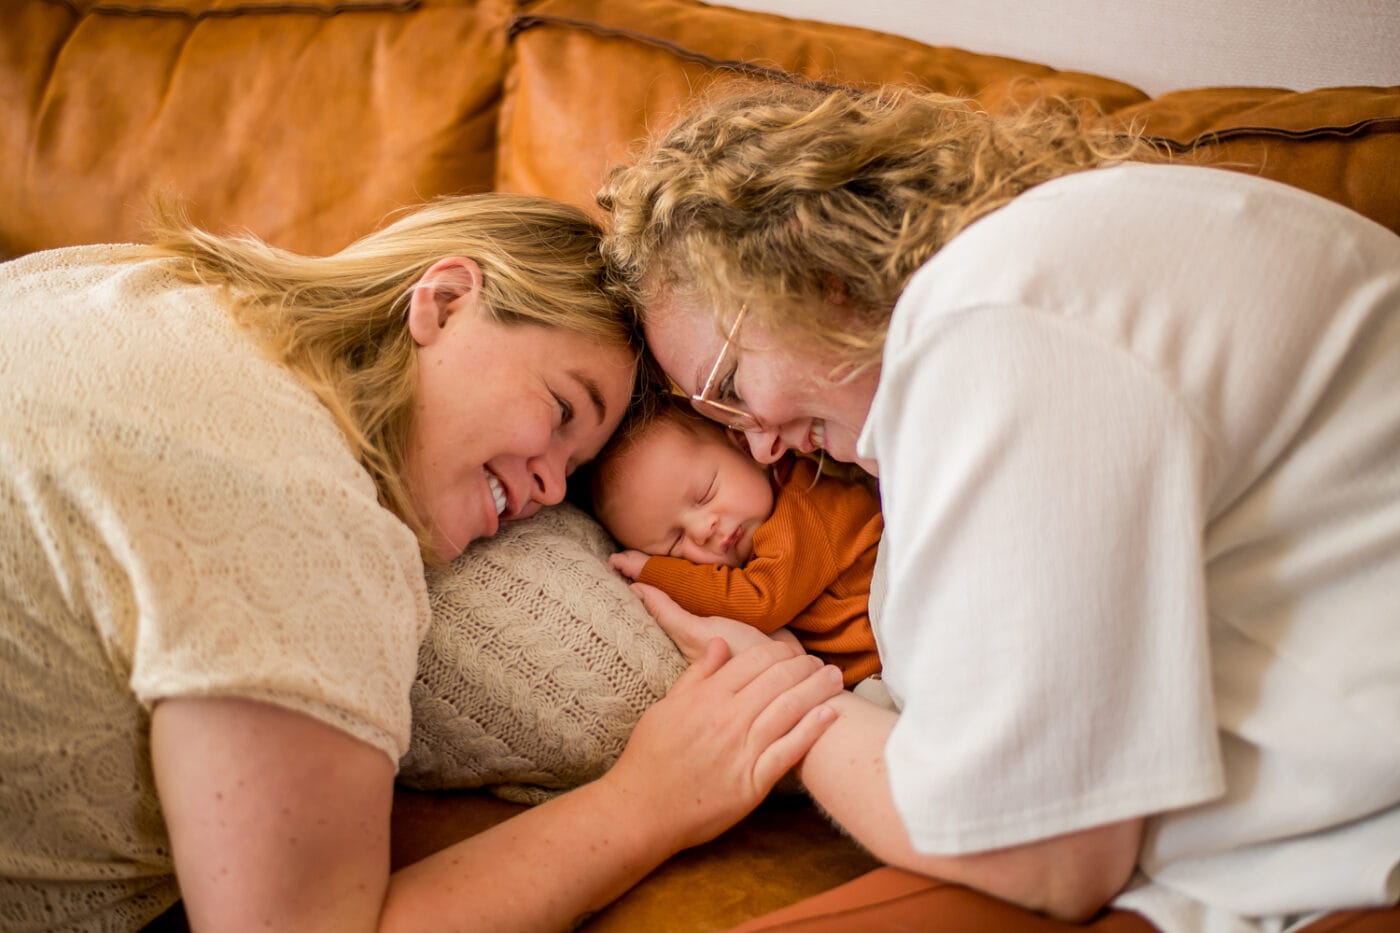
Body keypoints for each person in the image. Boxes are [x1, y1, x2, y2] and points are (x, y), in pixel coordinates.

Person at [598, 83, 1400, 931]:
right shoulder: (1016, 286)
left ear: (802, 269)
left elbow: (1047, 856)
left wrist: (782, 700)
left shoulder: (993, 321)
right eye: (721, 420)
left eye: (729, 388)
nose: (757, 443)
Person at [0, 193, 845, 931]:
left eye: (576, 468)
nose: (551, 486)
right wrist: (652, 798)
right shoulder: (299, 498)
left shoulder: (140, 286)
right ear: (441, 300)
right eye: (559, 408)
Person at [590, 397, 884, 688]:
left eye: (705, 494)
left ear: (745, 447)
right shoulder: (766, 528)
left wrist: (654, 571)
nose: (702, 531)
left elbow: (759, 603)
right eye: (675, 544)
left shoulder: (805, 507)